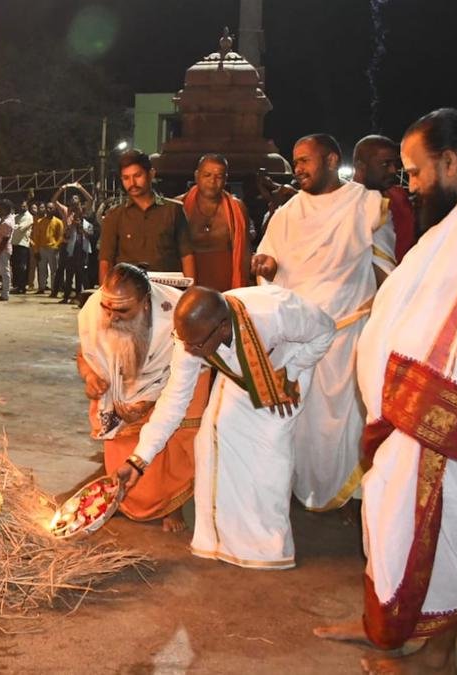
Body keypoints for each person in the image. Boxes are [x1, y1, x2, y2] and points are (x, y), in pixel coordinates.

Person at [315, 108, 457, 674]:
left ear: (450, 162)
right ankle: (383, 625)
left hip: (451, 417)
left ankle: (438, 656)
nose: (412, 184)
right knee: (387, 516)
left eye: (416, 171)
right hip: (403, 407)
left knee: (444, 533)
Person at [116, 285, 335, 568]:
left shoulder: (274, 310)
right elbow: (174, 401)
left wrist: (290, 373)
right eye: (186, 343)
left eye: (196, 345)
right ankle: (218, 542)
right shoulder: (191, 338)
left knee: (269, 459)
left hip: (287, 373)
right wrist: (138, 460)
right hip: (239, 378)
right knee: (210, 444)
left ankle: (267, 549)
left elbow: (326, 330)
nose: (190, 350)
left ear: (222, 328)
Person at [253, 134, 397, 513]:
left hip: (346, 334)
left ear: (332, 159)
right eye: (294, 160)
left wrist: (391, 323)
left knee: (345, 419)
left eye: (305, 160)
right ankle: (295, 484)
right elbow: (268, 259)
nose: (297, 167)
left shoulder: (365, 204)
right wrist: (266, 266)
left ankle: (353, 496)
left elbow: (385, 269)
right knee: (297, 419)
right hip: (298, 336)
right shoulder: (286, 213)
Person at [77, 263, 204, 531]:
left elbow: (182, 379)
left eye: (123, 310)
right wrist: (91, 377)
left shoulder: (176, 318)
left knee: (176, 434)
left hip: (178, 385)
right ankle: (119, 499)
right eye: (107, 308)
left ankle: (172, 505)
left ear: (146, 303)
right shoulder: (93, 310)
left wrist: (149, 402)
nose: (112, 317)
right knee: (122, 441)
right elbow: (85, 355)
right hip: (123, 391)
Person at [100, 150, 196, 281]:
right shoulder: (114, 215)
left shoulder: (174, 210)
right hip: (128, 289)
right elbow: (106, 261)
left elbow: (187, 256)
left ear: (151, 174)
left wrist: (189, 291)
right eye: (126, 178)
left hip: (168, 288)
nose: (132, 183)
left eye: (137, 175)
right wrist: (106, 295)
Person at [180, 154, 252, 290]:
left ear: (226, 179)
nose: (212, 181)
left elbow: (245, 252)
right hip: (189, 280)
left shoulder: (236, 208)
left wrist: (242, 288)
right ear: (196, 176)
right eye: (207, 175)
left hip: (226, 281)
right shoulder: (179, 205)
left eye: (219, 177)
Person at [353, 134, 417, 262]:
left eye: (395, 164)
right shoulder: (342, 204)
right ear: (361, 166)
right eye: (385, 164)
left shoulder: (399, 197)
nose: (393, 170)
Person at [57, 210, 92, 305]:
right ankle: (66, 297)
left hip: (82, 255)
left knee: (79, 278)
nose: (76, 220)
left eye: (78, 219)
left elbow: (90, 235)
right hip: (72, 255)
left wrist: (82, 229)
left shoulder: (87, 225)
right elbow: (65, 236)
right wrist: (70, 228)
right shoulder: (71, 226)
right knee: (68, 277)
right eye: (75, 219)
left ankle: (78, 297)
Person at [32, 201, 64, 295]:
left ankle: (54, 288)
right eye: (47, 208)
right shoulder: (40, 222)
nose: (48, 210)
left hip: (53, 249)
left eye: (51, 208)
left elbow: (61, 236)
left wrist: (56, 246)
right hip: (42, 248)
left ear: (54, 210)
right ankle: (41, 288)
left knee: (54, 270)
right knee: (42, 269)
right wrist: (36, 250)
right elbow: (36, 237)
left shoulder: (58, 222)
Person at [10, 200, 33, 293]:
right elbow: (13, 227)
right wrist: (15, 227)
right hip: (15, 243)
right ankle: (17, 286)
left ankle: (22, 286)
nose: (22, 208)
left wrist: (14, 227)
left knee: (22, 267)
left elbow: (20, 228)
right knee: (15, 266)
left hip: (23, 244)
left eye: (24, 206)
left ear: (27, 206)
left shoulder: (29, 217)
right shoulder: (16, 216)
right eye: (21, 206)